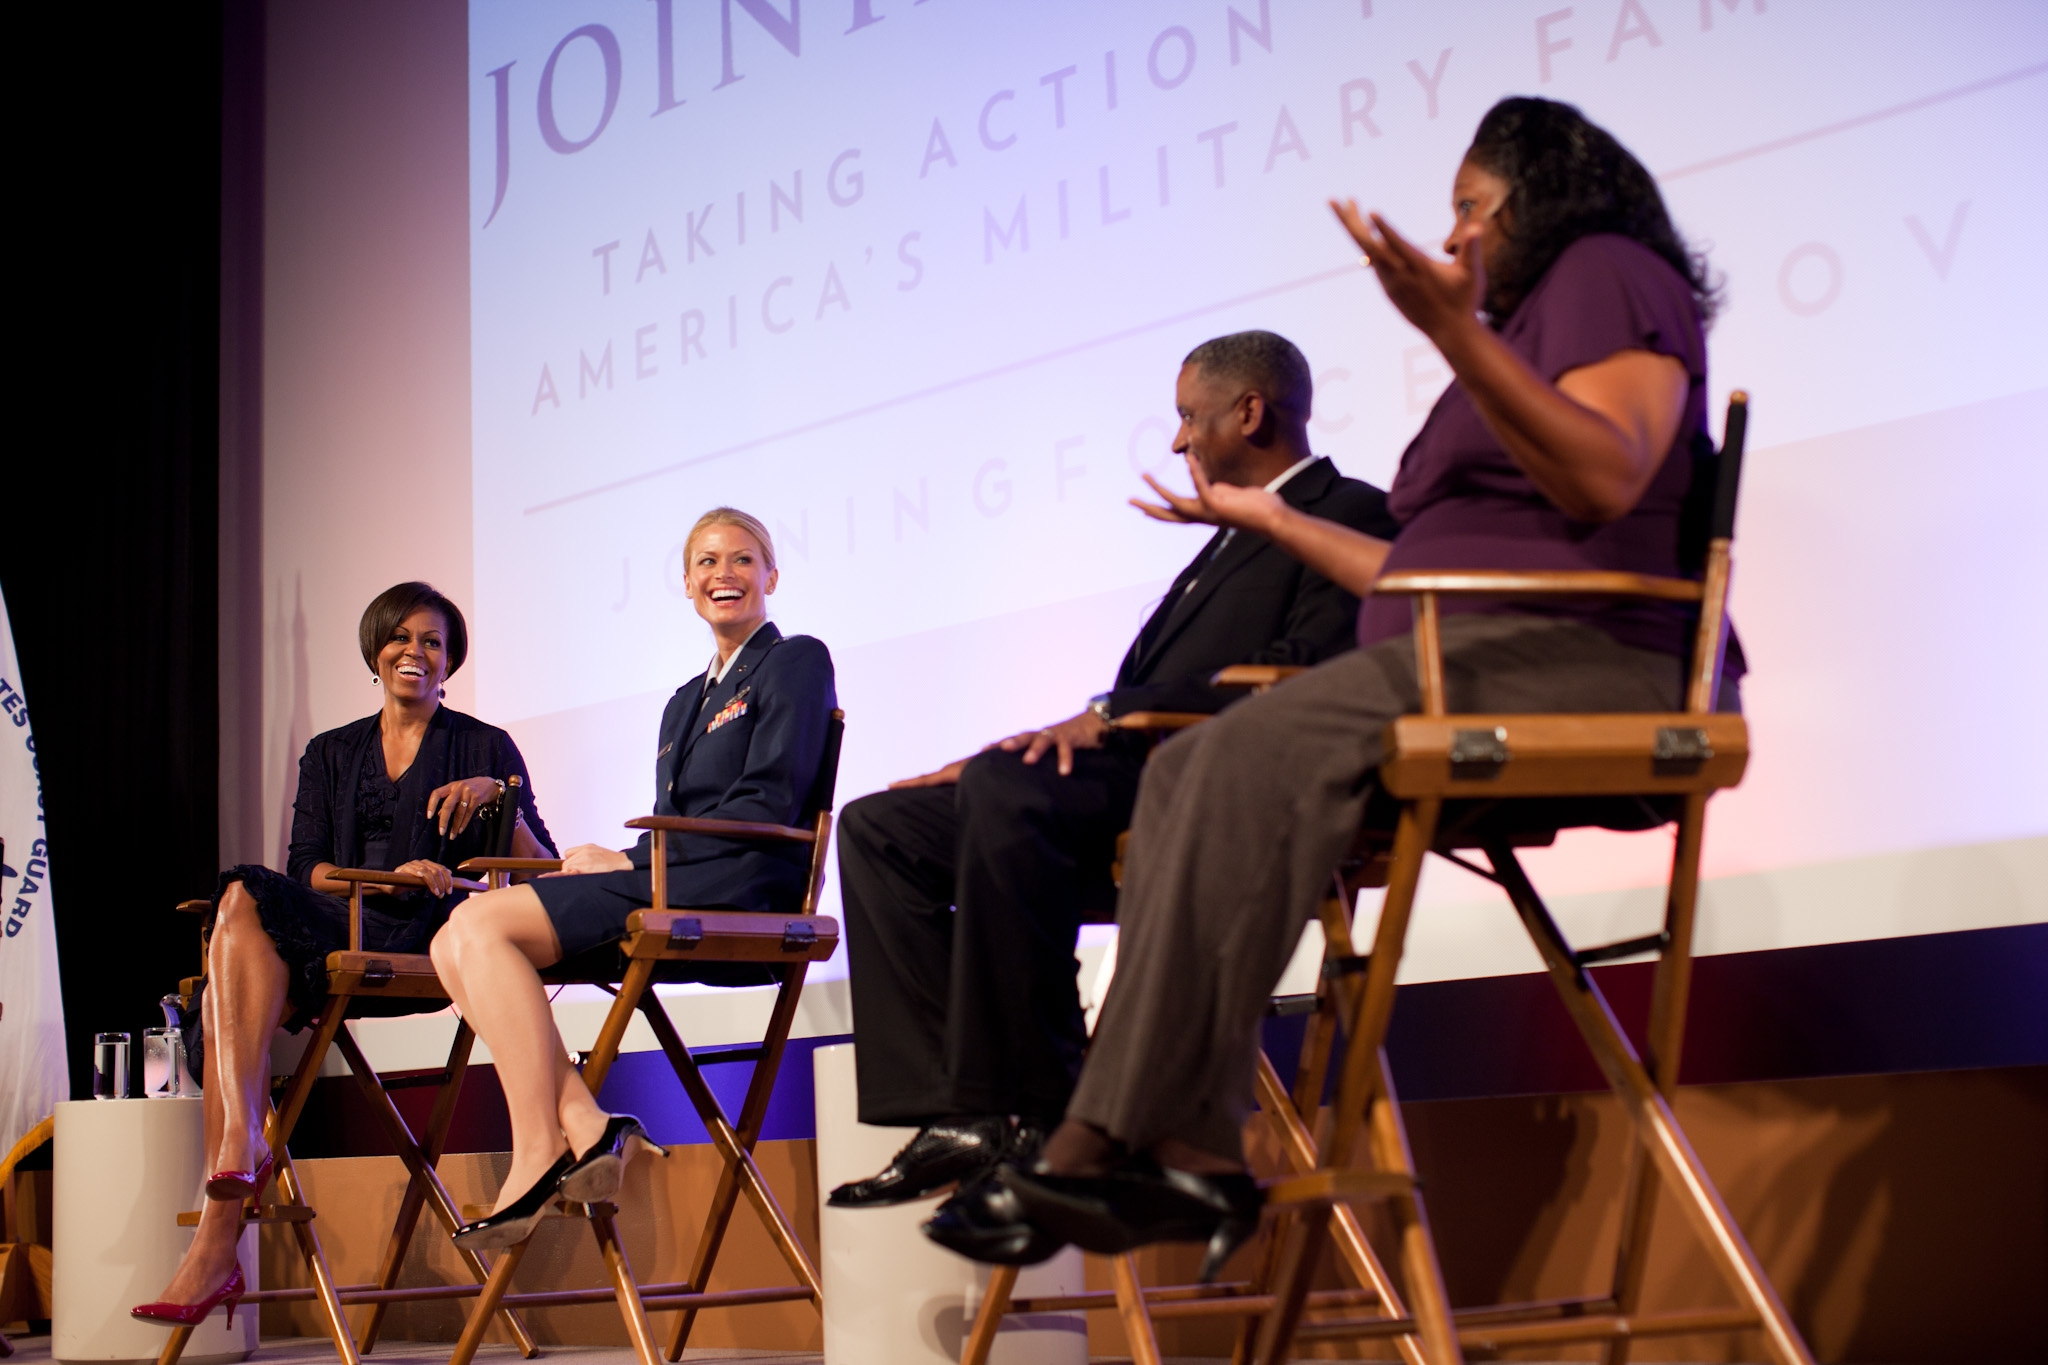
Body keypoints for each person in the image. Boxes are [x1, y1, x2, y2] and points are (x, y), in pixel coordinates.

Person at [977, 96, 1745, 1275]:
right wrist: (1259, 517)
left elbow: (1607, 475)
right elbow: (1412, 568)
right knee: (1188, 767)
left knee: (1234, 754)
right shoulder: (1529, 326)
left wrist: (1454, 337)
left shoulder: (1602, 269)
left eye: (1468, 212)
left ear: (1538, 201)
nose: (1450, 244)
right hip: (1466, 654)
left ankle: (1128, 1140)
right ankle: (1175, 1142)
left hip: (1589, 662)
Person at [831, 331, 1399, 1257]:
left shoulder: (1352, 516)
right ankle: (958, 1107)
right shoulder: (1219, 544)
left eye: (1188, 416)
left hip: (1218, 786)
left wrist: (1094, 722)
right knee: (882, 827)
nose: (1179, 443)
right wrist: (1023, 744)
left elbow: (1305, 673)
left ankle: (1043, 1104)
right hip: (1135, 767)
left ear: (1249, 412)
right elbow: (1124, 705)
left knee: (1010, 792)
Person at [132, 582, 556, 1327]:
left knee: (233, 938)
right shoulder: (330, 751)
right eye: (401, 637)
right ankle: (224, 1208)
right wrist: (385, 877)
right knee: (240, 905)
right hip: (340, 930)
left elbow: (540, 869)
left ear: (450, 657)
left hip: (432, 940)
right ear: (375, 648)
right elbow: (307, 870)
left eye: (432, 641)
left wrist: (501, 799)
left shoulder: (487, 747)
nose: (414, 652)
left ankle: (226, 1194)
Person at [430, 508, 837, 1251]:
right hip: (680, 879)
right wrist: (627, 862)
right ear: (686, 584)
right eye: (708, 562)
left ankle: (537, 1151)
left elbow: (771, 799)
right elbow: (669, 816)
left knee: (482, 925)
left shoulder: (796, 659)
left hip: (743, 888)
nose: (725, 574)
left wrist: (626, 861)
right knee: (453, 938)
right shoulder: (684, 702)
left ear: (771, 575)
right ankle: (584, 1121)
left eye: (742, 560)